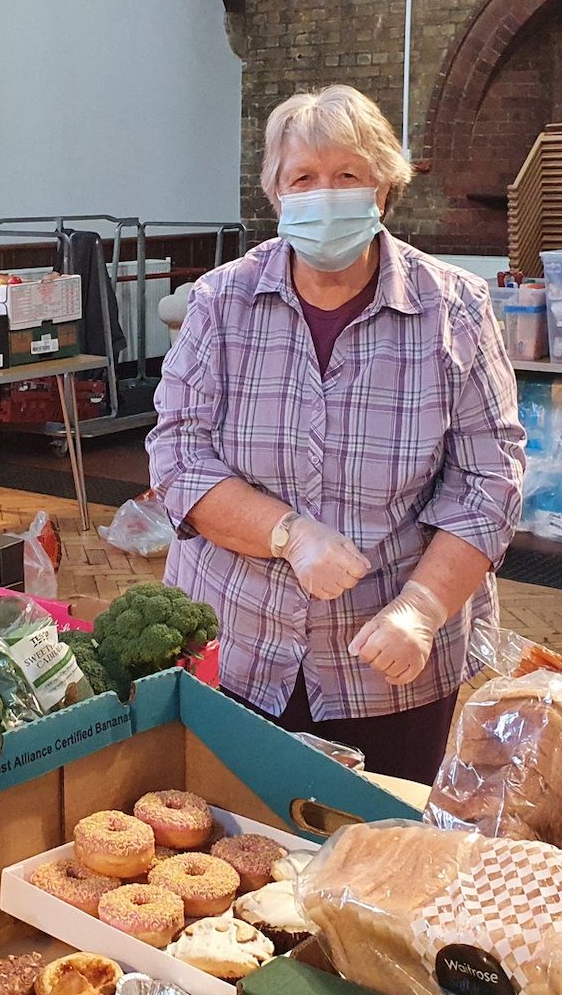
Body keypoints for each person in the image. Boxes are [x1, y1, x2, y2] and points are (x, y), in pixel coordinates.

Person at [146, 84, 525, 783]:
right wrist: (290, 534)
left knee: (375, 856)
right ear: (276, 195)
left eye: (348, 175)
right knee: (236, 841)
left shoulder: (455, 309)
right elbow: (176, 457)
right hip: (237, 646)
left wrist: (422, 607)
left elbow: (489, 479)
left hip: (390, 667)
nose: (326, 194)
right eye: (304, 178)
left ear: (383, 188)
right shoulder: (221, 302)